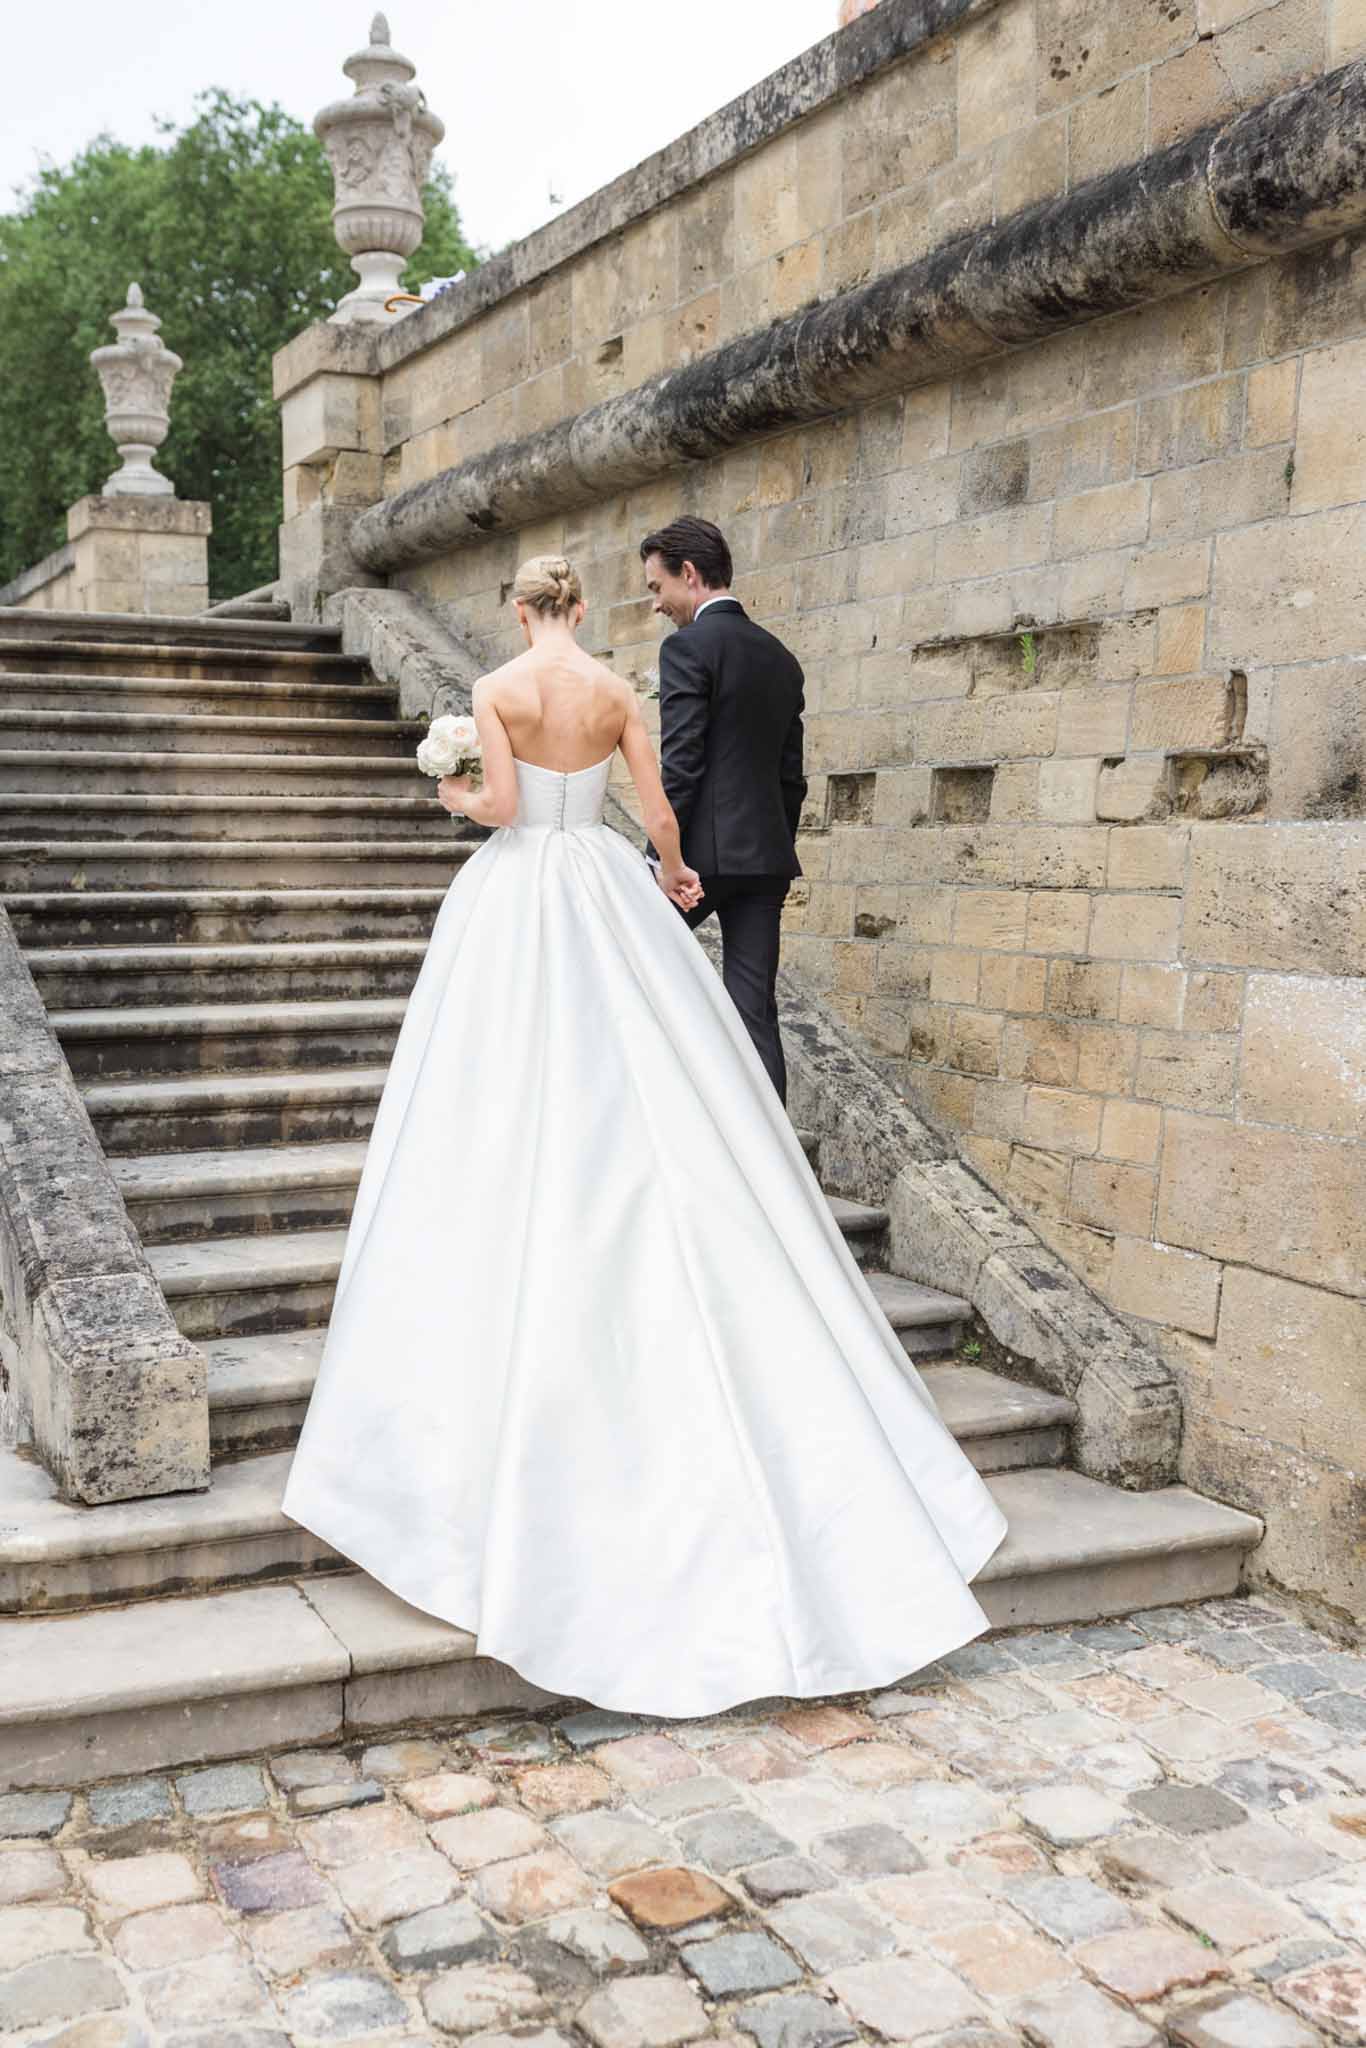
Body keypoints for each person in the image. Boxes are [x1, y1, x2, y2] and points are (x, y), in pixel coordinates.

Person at [281, 554, 1007, 1718]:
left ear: (521, 610)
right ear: (578, 607)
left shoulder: (500, 687)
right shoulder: (619, 687)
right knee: (664, 1070)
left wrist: (453, 795)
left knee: (495, 1086)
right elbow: (658, 808)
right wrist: (669, 872)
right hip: (606, 889)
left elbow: (505, 809)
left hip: (517, 893)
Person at [640, 518, 804, 1101]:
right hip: (765, 861)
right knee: (754, 1010)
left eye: (657, 588)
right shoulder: (780, 657)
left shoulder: (687, 647)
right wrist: (773, 845)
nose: (656, 605)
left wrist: (661, 859)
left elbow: (681, 764)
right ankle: (773, 1171)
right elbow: (792, 779)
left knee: (629, 972)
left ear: (689, 574)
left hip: (698, 864)